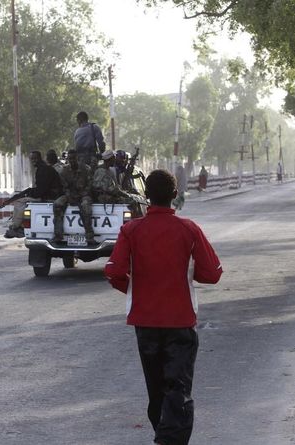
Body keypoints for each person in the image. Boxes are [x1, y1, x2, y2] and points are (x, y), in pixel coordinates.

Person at [104, 169, 223, 445]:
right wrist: (187, 276)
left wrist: (135, 289)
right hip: (180, 321)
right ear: (175, 195)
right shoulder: (188, 229)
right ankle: (169, 440)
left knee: (156, 388)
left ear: (146, 196)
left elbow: (114, 270)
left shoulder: (131, 230)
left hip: (145, 323)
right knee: (177, 386)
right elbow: (213, 273)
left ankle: (164, 434)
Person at [4, 150, 62, 238]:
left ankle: (15, 227)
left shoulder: (43, 169)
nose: (33, 161)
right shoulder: (43, 168)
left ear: (40, 158)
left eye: (35, 158)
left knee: (20, 201)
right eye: (32, 159)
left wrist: (28, 193)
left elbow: (40, 191)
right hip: (50, 195)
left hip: (49, 196)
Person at [53, 149, 95, 244]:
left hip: (84, 195)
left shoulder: (86, 169)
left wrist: (83, 193)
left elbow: (90, 185)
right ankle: (58, 235)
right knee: (57, 204)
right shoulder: (64, 171)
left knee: (85, 205)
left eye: (73, 158)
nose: (72, 161)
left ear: (78, 158)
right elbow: (64, 186)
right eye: (70, 159)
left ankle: (89, 236)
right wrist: (69, 195)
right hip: (70, 195)